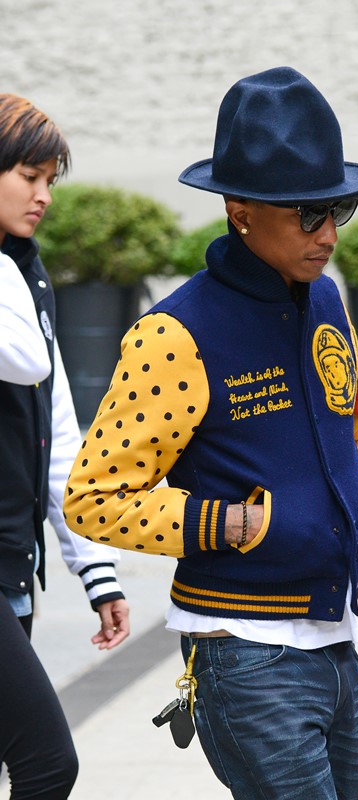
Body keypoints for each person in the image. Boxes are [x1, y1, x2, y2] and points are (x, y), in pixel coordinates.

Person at [64, 66, 358, 800]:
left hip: (337, 635)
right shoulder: (175, 333)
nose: (328, 233)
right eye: (308, 214)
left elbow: (355, 421)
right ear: (240, 211)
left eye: (339, 209)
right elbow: (93, 499)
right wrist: (234, 525)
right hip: (245, 654)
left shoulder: (326, 299)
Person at [0, 93, 130, 799]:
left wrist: (96, 570)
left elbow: (57, 431)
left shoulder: (26, 273)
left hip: (12, 564)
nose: (43, 196)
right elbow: (25, 360)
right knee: (48, 763)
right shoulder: (12, 278)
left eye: (50, 180)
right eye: (29, 176)